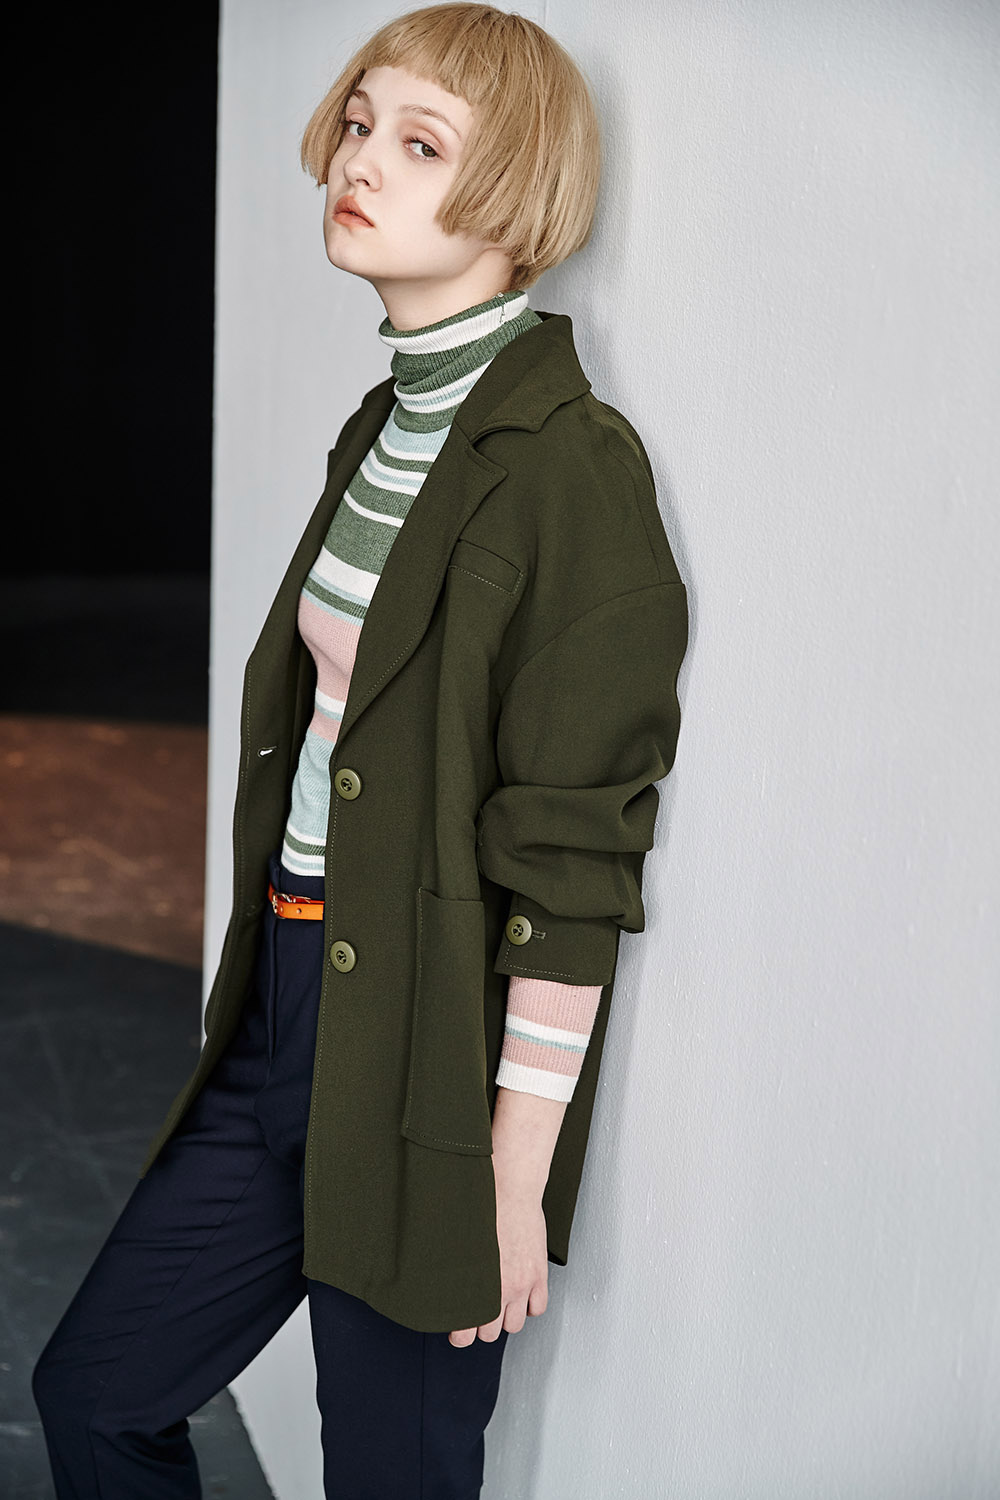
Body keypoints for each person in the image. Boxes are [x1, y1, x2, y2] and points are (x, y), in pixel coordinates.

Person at [32, 4, 689, 1496]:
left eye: (419, 142)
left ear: (515, 196)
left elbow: (572, 859)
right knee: (96, 1393)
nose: (360, 161)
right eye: (357, 120)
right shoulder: (386, 426)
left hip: (421, 1060)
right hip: (286, 1000)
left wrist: (509, 1177)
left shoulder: (573, 474)